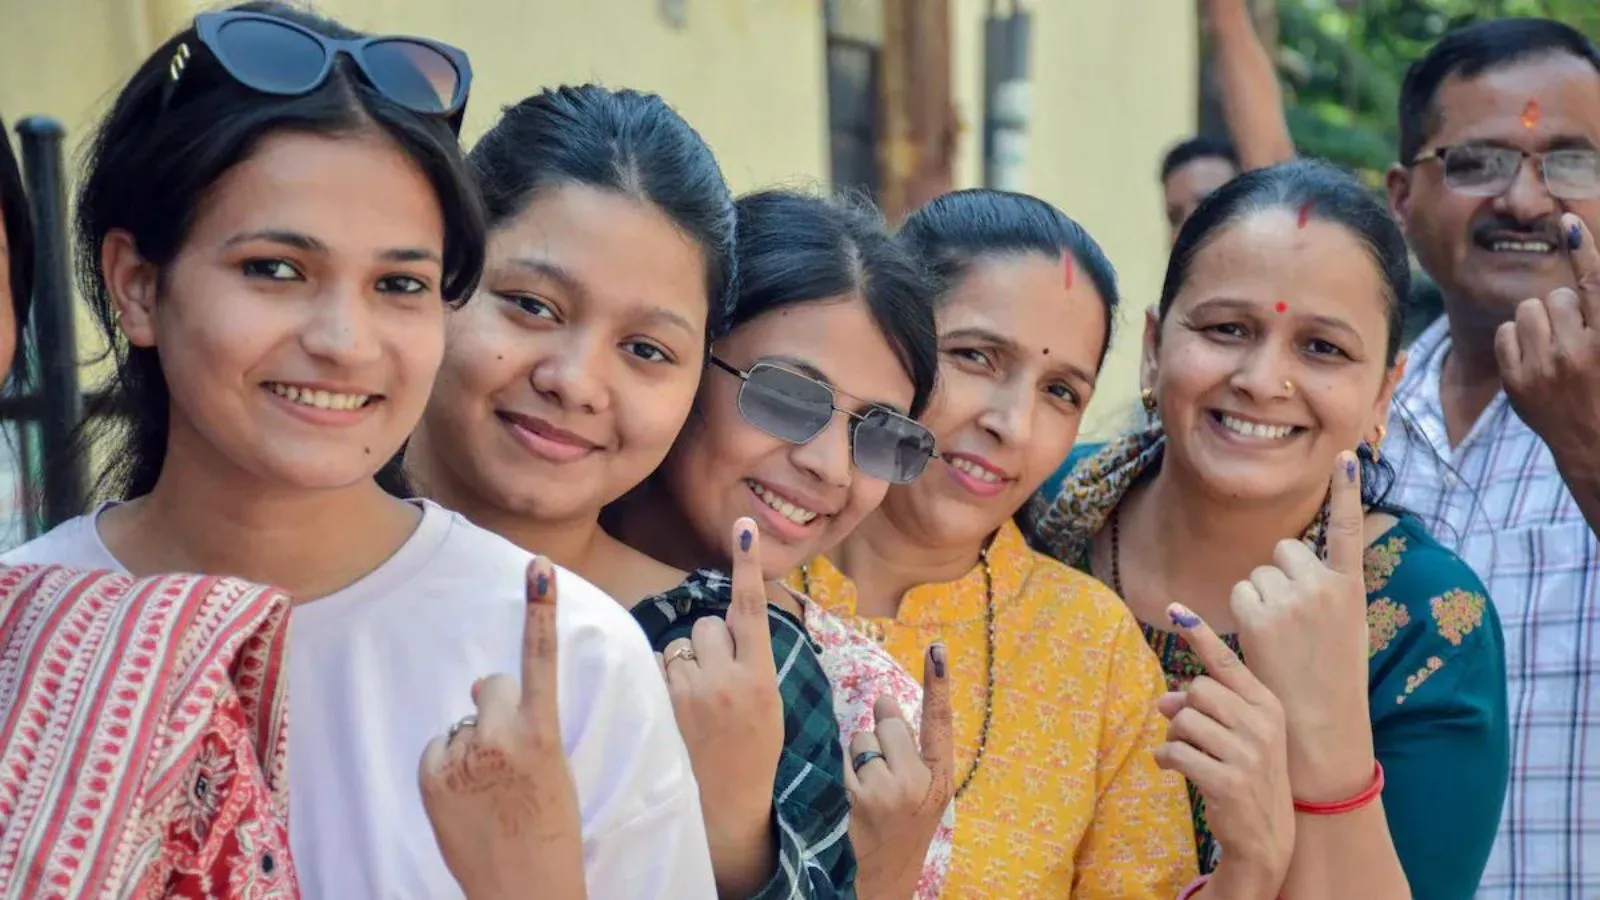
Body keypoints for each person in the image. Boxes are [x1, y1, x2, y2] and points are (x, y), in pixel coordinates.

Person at [0, 6, 715, 899]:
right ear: (138, 286)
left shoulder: (572, 660)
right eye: (275, 269)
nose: (344, 340)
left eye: (400, 284)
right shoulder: (22, 635)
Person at [1031, 160, 1509, 900]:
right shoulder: (1032, 503)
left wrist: (1327, 738)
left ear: (1384, 393)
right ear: (1154, 349)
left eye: (1322, 348)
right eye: (1227, 329)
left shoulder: (1425, 620)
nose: (1261, 379)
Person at [786, 188, 1199, 897]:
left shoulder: (1094, 651)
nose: (1013, 424)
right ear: (891, 344)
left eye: (1061, 392)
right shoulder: (745, 560)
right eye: (976, 356)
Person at [604, 188, 955, 899]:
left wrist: (880, 877)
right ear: (680, 360)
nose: (831, 466)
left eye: (880, 434)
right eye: (787, 396)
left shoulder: (869, 717)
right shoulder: (497, 563)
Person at [1381, 18, 1600, 897]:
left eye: (1571, 162)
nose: (1527, 201)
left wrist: (1585, 443)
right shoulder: (1345, 416)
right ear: (1402, 198)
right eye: (1478, 162)